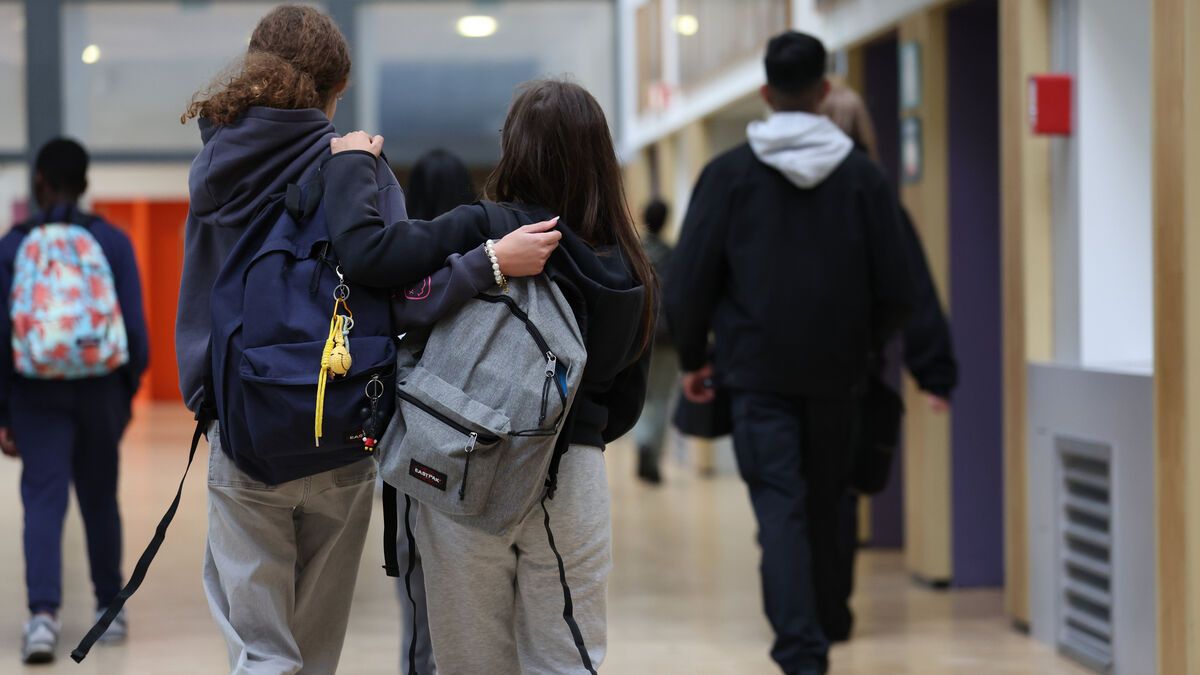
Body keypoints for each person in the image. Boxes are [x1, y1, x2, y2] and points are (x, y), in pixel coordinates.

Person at [174, 7, 556, 673]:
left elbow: (199, 294)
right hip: (344, 424)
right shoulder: (358, 167)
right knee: (315, 649)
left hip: (243, 426)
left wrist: (206, 403)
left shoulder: (216, 169)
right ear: (338, 89)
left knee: (261, 649)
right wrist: (486, 263)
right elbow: (408, 297)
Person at [322, 78, 653, 673]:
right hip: (572, 476)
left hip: (464, 459)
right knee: (566, 656)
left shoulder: (487, 225)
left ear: (516, 149)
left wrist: (350, 169)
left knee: (471, 659)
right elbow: (626, 402)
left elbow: (369, 257)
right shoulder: (627, 265)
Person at [665, 32, 913, 675]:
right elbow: (899, 285)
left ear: (765, 92)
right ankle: (825, 622)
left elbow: (690, 280)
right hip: (840, 377)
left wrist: (693, 357)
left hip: (755, 375)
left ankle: (802, 651)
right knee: (828, 503)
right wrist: (864, 345)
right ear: (825, 91)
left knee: (780, 507)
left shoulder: (728, 176)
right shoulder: (863, 177)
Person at [818, 82, 958, 643]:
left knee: (792, 491)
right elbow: (913, 289)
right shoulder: (875, 195)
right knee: (841, 491)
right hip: (855, 370)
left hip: (779, 371)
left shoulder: (773, 192)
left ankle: (797, 604)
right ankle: (832, 610)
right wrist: (934, 371)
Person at [0, 137, 149, 664]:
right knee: (100, 498)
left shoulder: (12, 246)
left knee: (43, 501)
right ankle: (110, 607)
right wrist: (124, 394)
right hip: (99, 389)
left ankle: (42, 619)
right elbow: (135, 331)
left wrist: (5, 411)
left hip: (34, 392)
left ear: (39, 181)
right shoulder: (111, 241)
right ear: (85, 183)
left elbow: (0, 336)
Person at [394, 148, 478, 675]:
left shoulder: (400, 260)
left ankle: (418, 664)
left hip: (413, 443)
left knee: (415, 572)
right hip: (478, 440)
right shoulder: (489, 263)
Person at [633, 198, 675, 484]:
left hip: (639, 337)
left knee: (640, 396)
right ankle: (653, 453)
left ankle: (642, 440)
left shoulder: (634, 252)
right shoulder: (674, 256)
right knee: (661, 398)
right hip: (669, 339)